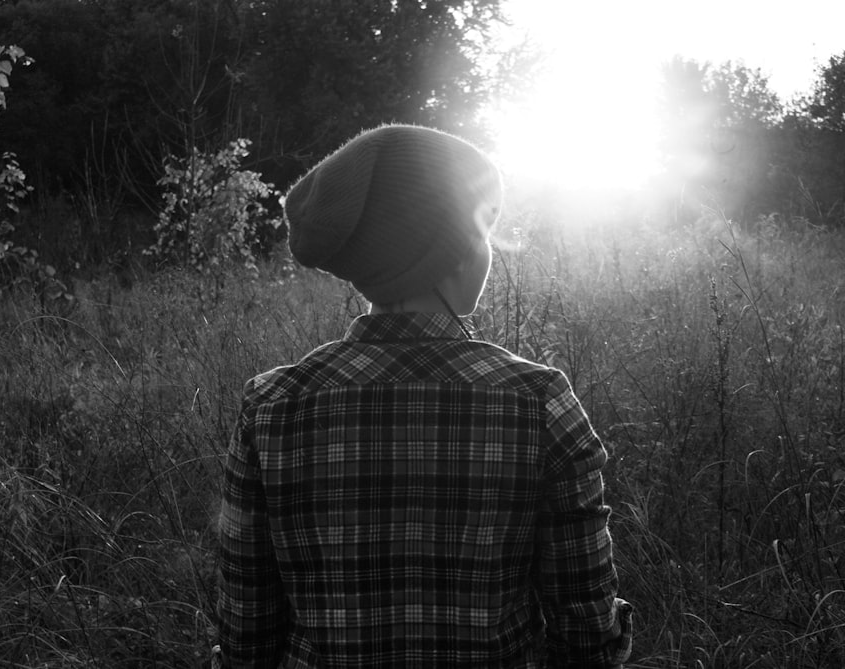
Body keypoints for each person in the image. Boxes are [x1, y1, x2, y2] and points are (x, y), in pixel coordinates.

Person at [217, 124, 632, 668]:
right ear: (453, 250)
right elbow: (585, 627)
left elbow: (248, 625)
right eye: (484, 229)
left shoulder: (271, 406)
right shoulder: (539, 402)